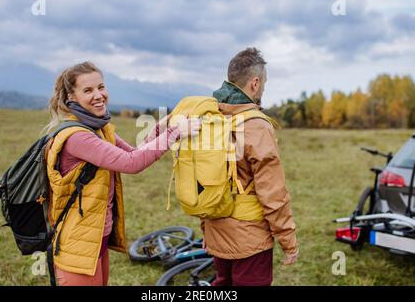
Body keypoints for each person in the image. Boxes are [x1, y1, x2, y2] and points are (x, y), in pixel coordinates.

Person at [45, 61, 200, 286]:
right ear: (71, 97)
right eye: (88, 90)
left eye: (101, 87)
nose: (98, 95)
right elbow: (131, 163)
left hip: (96, 237)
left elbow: (134, 153)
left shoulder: (98, 129)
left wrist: (160, 129)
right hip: (77, 243)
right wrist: (175, 134)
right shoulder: (78, 137)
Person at [201, 47, 298, 286]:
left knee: (223, 284)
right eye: (264, 82)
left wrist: (206, 229)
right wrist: (288, 241)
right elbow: (272, 193)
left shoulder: (211, 117)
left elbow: (202, 178)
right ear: (255, 83)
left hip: (216, 227)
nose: (263, 87)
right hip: (250, 238)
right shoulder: (257, 125)